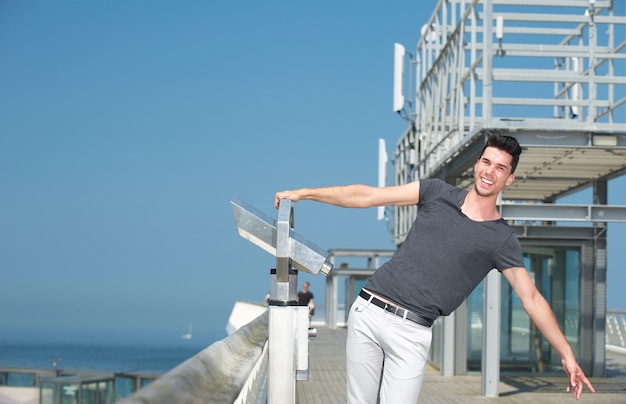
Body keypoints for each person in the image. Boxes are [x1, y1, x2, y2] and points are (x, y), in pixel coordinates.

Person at [274, 133, 595, 403]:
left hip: (413, 332)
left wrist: (566, 353)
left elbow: (532, 299)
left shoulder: (502, 239)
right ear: (476, 164)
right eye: (486, 162)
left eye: (500, 168)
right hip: (369, 311)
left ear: (509, 178)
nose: (490, 171)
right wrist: (304, 193)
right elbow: (368, 196)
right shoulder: (436, 192)